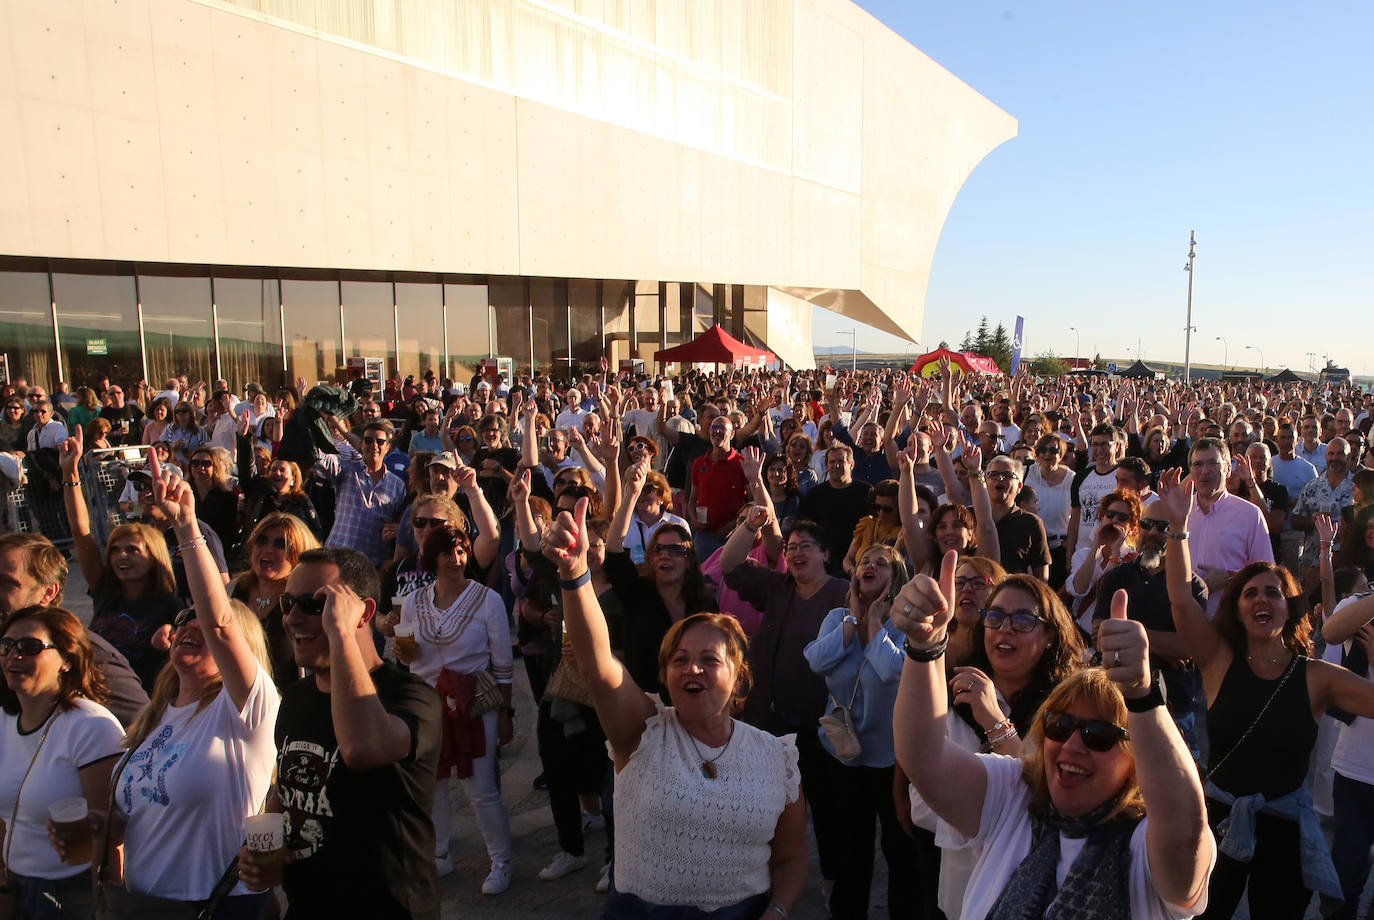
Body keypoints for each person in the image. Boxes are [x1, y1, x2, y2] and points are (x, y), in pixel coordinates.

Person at [892, 550, 1215, 920]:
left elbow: (1186, 832)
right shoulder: (1016, 794)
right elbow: (924, 759)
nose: (1072, 745)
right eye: (1059, 727)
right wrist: (927, 646)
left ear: (1136, 758)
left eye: (1098, 735)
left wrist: (1143, 697)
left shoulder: (1145, 843)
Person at [540, 497, 808, 918]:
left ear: (738, 676)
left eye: (709, 659)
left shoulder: (777, 758)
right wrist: (574, 575)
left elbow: (791, 858)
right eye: (679, 659)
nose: (691, 668)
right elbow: (599, 668)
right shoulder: (641, 733)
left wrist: (776, 912)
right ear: (664, 674)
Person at [1157, 469, 1374, 918]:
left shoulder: (1317, 677)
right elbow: (1180, 596)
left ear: (1288, 607)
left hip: (1285, 830)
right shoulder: (1217, 659)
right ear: (1236, 608)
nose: (1261, 600)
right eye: (1250, 593)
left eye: (1273, 593)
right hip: (1217, 821)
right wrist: (1178, 530)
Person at [88, 471, 278, 919]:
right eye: (184, 620)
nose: (191, 626)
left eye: (203, 624)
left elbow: (218, 622)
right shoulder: (153, 719)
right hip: (143, 904)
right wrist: (98, 826)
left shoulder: (246, 712)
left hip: (216, 906)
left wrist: (187, 527)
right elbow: (133, 818)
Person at [237, 547, 442, 918]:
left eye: (315, 604)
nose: (292, 618)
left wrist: (341, 634)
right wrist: (269, 849)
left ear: (361, 613)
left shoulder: (411, 697)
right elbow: (289, 790)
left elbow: (361, 748)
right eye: (287, 603)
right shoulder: (296, 698)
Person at [721, 507, 850, 896]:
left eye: (807, 547)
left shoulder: (844, 593)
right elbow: (729, 565)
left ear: (825, 554)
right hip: (772, 723)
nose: (797, 554)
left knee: (828, 811)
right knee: (766, 809)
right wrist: (749, 526)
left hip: (823, 727)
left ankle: (833, 881)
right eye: (792, 547)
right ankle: (765, 879)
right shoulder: (777, 587)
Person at [802, 545, 921, 919]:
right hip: (842, 756)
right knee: (850, 853)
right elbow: (816, 660)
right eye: (865, 561)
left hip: (890, 761)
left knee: (899, 852)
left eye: (881, 563)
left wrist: (874, 623)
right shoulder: (838, 616)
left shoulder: (907, 626)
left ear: (896, 578)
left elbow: (892, 672)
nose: (869, 566)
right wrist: (853, 620)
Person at [397, 524, 514, 894]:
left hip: (475, 706)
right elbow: (407, 654)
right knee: (434, 785)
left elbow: (504, 665)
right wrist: (404, 650)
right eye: (448, 552)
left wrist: (507, 713)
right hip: (427, 705)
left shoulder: (487, 600)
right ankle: (439, 855)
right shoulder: (414, 601)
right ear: (433, 558)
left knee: (481, 789)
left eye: (461, 550)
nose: (456, 558)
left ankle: (501, 862)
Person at [0, 607, 123, 919]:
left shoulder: (91, 726)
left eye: (29, 646)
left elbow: (111, 835)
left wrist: (103, 907)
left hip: (73, 894)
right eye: (6, 646)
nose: (14, 654)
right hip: (15, 886)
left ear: (68, 659)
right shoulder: (3, 720)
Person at [230, 513, 322, 690]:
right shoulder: (233, 590)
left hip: (281, 703)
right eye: (261, 540)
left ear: (299, 554)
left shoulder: (305, 604)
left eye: (281, 544)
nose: (268, 549)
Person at [315, 419, 408, 566]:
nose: (374, 445)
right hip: (336, 559)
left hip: (371, 565)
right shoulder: (344, 468)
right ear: (361, 444)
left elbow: (398, 524)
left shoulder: (397, 485)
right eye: (368, 440)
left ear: (388, 448)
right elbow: (318, 458)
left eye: (380, 441)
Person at [236, 416, 323, 541]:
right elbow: (246, 469)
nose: (277, 473)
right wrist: (243, 437)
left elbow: (315, 532)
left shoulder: (301, 501)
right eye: (273, 469)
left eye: (282, 470)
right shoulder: (259, 493)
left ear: (293, 477)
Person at [1067, 489, 1142, 633]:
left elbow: (1109, 594)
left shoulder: (1134, 561)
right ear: (1102, 518)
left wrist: (1115, 551)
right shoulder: (1083, 555)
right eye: (1109, 514)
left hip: (1111, 634)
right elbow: (1078, 589)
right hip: (1080, 631)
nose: (1114, 520)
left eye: (1122, 518)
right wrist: (1096, 546)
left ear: (1132, 527)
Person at [1025, 433, 1074, 586]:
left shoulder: (1072, 479)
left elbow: (1077, 514)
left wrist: (1069, 546)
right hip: (1031, 545)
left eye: (1053, 450)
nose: (1047, 454)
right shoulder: (1026, 472)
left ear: (1061, 454)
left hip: (1058, 547)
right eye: (1043, 450)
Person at [187, 446, 239, 556]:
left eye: (206, 463)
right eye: (195, 463)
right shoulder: (182, 495)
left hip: (216, 551)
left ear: (214, 467)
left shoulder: (227, 498)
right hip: (187, 550)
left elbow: (229, 533)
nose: (200, 467)